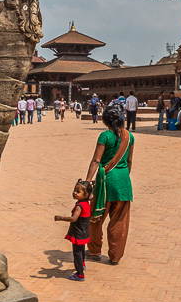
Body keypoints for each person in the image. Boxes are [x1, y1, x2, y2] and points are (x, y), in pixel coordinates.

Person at [86, 105, 133, 265]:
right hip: (123, 183)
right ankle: (115, 256)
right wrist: (123, 177)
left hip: (105, 182)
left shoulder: (104, 136)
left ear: (105, 120)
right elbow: (129, 161)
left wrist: (87, 181)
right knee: (120, 221)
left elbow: (96, 160)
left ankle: (94, 251)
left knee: (96, 217)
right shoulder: (129, 137)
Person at [54, 179, 93, 281]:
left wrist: (61, 218)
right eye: (75, 190)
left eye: (78, 192)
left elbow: (74, 218)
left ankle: (80, 274)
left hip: (78, 233)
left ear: (86, 194)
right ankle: (83, 264)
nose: (74, 193)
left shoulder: (79, 206)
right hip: (84, 232)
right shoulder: (86, 203)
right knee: (82, 251)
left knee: (77, 254)